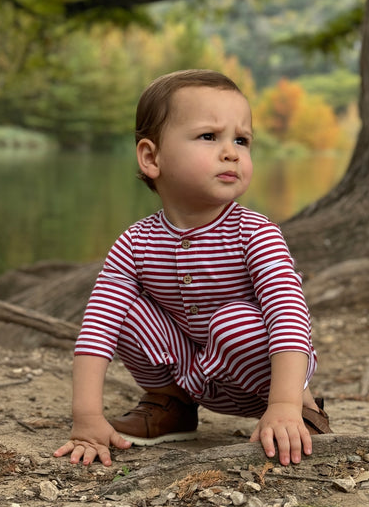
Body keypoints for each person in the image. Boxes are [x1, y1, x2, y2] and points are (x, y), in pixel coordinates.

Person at [54, 69, 331, 469]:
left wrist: (285, 403)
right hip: (187, 368)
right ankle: (172, 404)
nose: (231, 152)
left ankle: (300, 413)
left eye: (242, 140)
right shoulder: (135, 243)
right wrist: (86, 419)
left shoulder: (256, 233)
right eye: (209, 136)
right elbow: (98, 329)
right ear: (152, 157)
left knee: (234, 321)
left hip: (261, 378)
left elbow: (289, 316)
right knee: (118, 308)